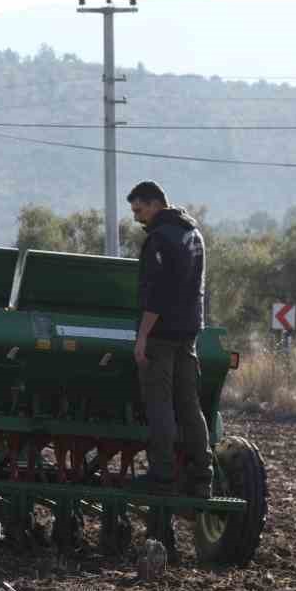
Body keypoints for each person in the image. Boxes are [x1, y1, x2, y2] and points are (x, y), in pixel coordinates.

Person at [127, 179, 212, 501]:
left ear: (154, 204)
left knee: (160, 405)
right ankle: (203, 477)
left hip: (161, 335)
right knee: (190, 406)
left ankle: (161, 477)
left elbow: (156, 294)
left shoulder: (159, 239)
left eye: (139, 210)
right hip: (189, 332)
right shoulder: (194, 233)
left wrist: (142, 336)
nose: (137, 217)